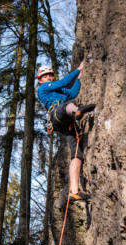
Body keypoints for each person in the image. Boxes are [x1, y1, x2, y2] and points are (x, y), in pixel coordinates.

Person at [37, 61, 95, 202]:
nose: (49, 78)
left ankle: (74, 191)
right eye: (45, 76)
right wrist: (78, 69)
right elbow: (63, 82)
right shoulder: (43, 89)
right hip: (56, 115)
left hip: (66, 123)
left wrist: (79, 79)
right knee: (68, 105)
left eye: (50, 75)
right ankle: (77, 111)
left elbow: (72, 92)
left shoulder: (59, 91)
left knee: (76, 154)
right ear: (40, 80)